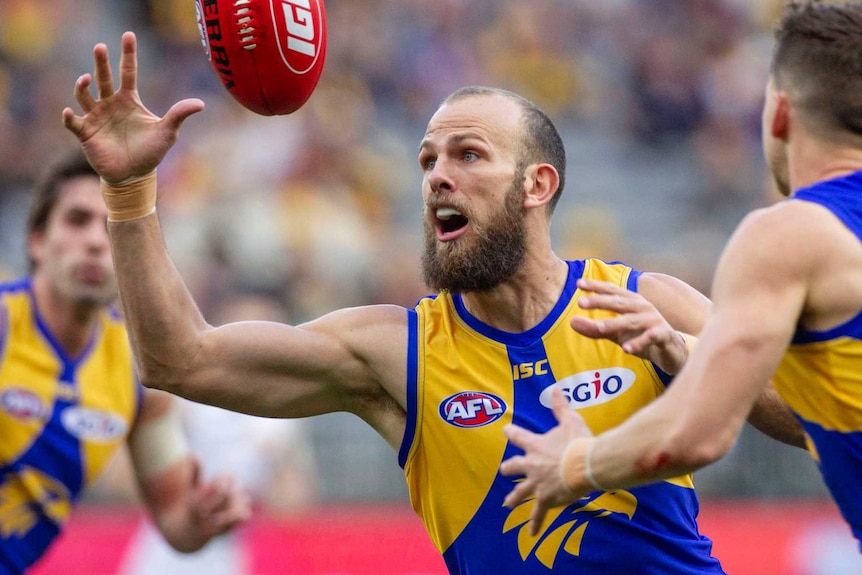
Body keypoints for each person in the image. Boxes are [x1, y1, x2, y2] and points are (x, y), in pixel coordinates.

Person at [62, 32, 804, 574]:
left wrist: (693, 361)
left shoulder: (646, 302)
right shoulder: (396, 352)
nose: (437, 177)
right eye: (426, 160)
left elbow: (811, 419)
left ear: (537, 185)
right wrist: (128, 192)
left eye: (468, 154)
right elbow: (178, 359)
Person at [499, 0, 862, 550]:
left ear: (780, 113)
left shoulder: (789, 235)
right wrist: (687, 348)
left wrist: (577, 464)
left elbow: (701, 431)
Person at [0, 148, 251, 573]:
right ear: (37, 241)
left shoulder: (142, 371)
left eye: (112, 227)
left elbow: (176, 522)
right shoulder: (6, 324)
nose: (97, 242)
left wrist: (205, 516)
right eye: (77, 220)